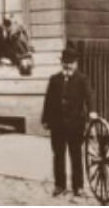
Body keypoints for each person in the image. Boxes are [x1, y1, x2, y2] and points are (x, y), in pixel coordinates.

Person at [41, 44, 97, 197]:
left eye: (71, 63)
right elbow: (48, 100)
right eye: (65, 62)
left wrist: (92, 111)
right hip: (57, 124)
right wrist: (45, 119)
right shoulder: (54, 79)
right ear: (62, 63)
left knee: (76, 155)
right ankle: (60, 185)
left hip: (75, 124)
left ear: (76, 63)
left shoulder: (82, 79)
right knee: (58, 155)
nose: (68, 66)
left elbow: (89, 96)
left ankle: (78, 187)